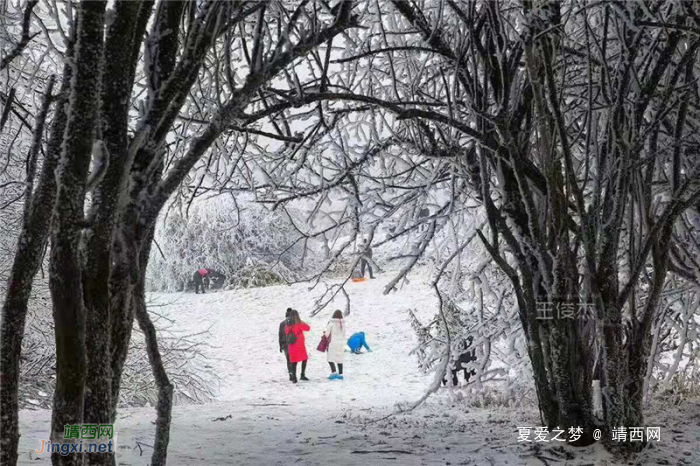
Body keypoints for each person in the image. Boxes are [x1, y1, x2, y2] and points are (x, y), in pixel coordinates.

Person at [285, 309, 310, 383]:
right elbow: (308, 328)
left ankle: (294, 377)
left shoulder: (288, 324)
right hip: (300, 345)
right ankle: (302, 374)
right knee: (304, 359)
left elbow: (286, 332)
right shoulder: (299, 323)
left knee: (293, 361)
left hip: (291, 345)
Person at [324, 310, 346, 380]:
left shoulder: (331, 323)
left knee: (330, 358)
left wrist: (325, 333)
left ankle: (334, 372)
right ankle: (341, 374)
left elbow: (327, 334)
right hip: (340, 343)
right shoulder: (342, 323)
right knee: (339, 358)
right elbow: (344, 334)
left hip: (332, 343)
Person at [278, 308, 294, 381]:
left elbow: (280, 335)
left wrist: (280, 345)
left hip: (285, 344)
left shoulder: (281, 324)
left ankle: (290, 373)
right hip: (293, 343)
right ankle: (293, 373)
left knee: (288, 359)